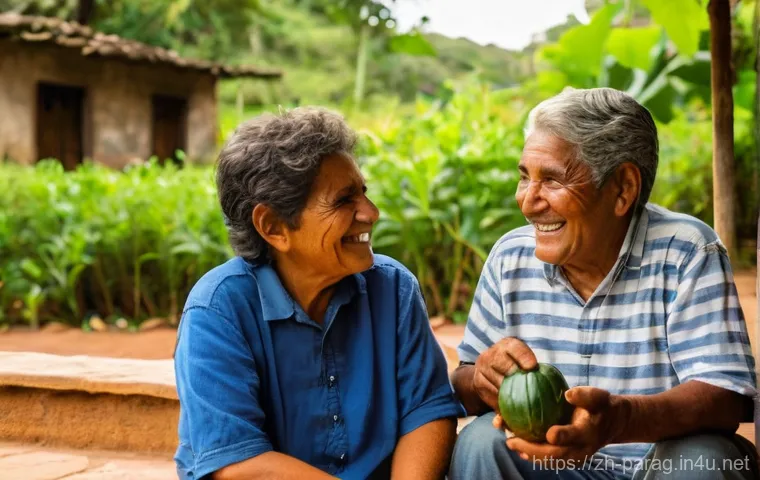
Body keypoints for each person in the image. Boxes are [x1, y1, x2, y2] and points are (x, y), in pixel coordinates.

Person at [448, 87, 759, 480]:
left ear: (622, 189)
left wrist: (620, 419)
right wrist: (479, 378)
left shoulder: (687, 250)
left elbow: (725, 397)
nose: (528, 201)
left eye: (552, 180)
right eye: (525, 177)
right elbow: (463, 381)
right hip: (552, 467)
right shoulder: (510, 256)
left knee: (708, 460)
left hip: (658, 465)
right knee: (480, 442)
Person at [172, 107, 463, 480]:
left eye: (364, 193)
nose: (371, 213)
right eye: (344, 200)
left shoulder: (393, 287)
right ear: (274, 227)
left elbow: (427, 410)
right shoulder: (218, 310)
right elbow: (237, 464)